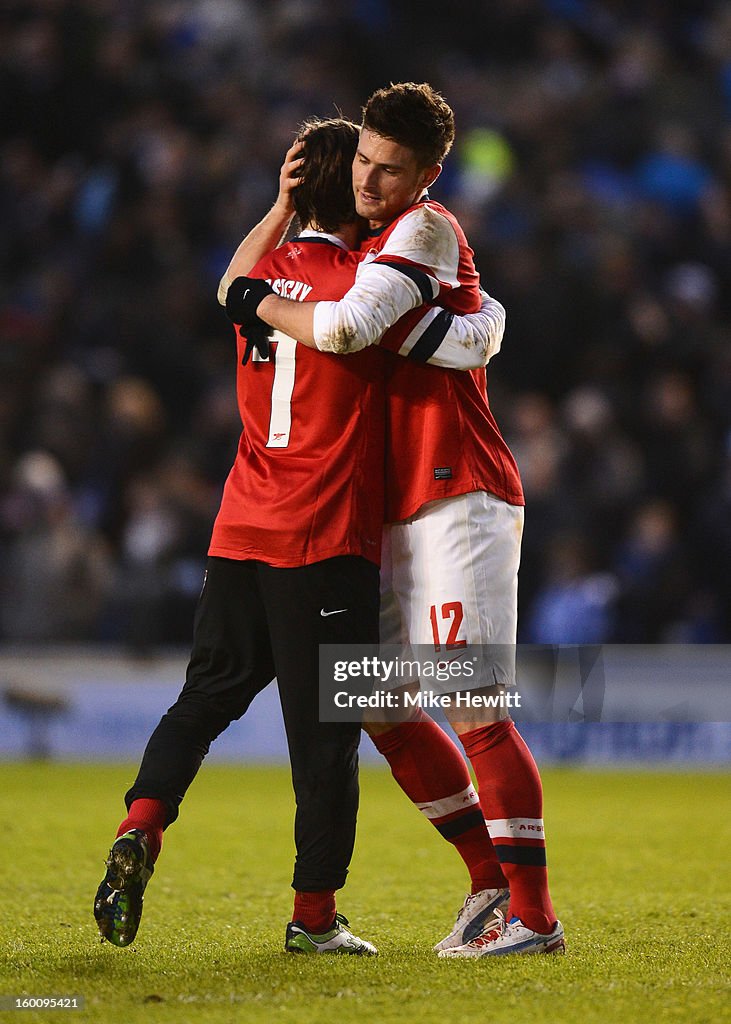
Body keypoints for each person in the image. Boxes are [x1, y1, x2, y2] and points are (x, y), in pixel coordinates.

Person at [94, 116, 501, 957]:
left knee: (202, 699)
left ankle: (142, 826)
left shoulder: (257, 277)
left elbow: (227, 283)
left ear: (292, 191)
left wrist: (277, 210)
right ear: (345, 185)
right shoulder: (362, 280)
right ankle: (313, 917)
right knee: (325, 740)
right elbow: (424, 330)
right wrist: (489, 312)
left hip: (239, 523)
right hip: (323, 535)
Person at [226, 82, 565, 957]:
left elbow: (346, 329)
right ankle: (488, 882)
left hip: (459, 492)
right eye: (366, 162)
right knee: (375, 700)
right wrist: (471, 328)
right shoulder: (367, 241)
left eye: (392, 170)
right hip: (392, 506)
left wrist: (253, 301)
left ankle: (533, 915)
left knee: (471, 699)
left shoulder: (424, 229)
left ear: (428, 173)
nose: (372, 181)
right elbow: (433, 327)